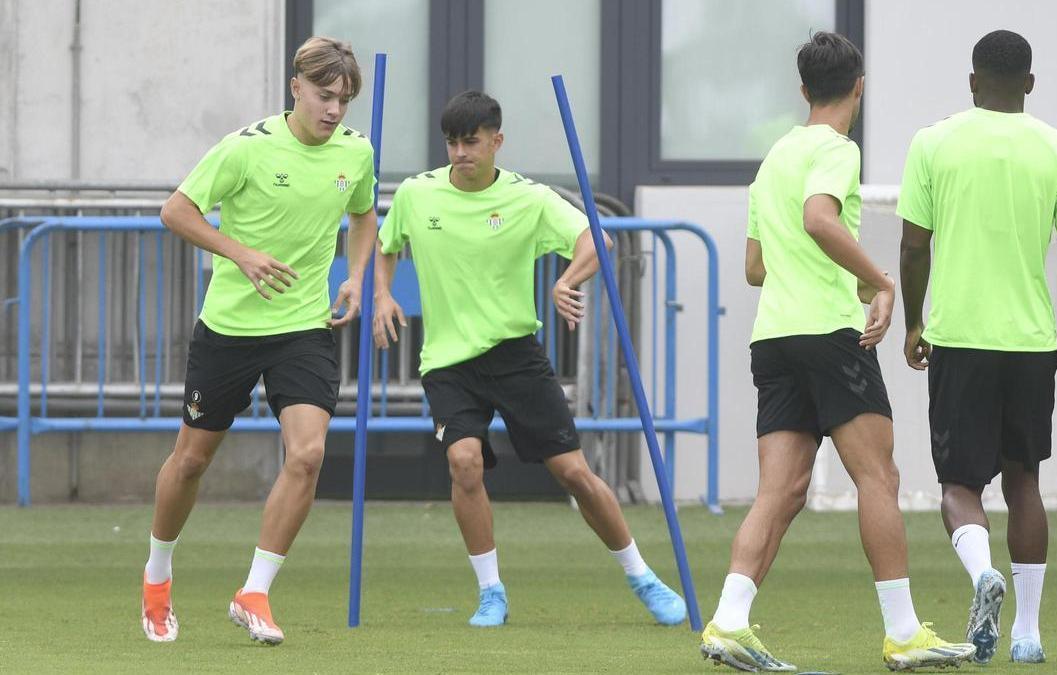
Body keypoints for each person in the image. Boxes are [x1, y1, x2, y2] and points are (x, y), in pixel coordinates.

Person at [699, 32, 975, 672]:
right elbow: (820, 219)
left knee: (781, 490)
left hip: (774, 338)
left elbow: (755, 265)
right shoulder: (836, 149)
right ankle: (905, 633)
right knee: (878, 477)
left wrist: (840, 276)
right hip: (829, 336)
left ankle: (729, 621)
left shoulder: (773, 158)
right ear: (859, 86)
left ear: (802, 91)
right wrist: (880, 282)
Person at [372, 90, 686, 628]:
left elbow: (597, 240)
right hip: (447, 361)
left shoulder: (530, 198)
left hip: (515, 354)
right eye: (451, 141)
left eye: (471, 141)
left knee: (573, 472)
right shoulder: (417, 195)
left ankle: (642, 575)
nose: (460, 152)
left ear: (497, 141)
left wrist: (568, 278)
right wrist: (382, 293)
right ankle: (491, 592)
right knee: (464, 462)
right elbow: (385, 245)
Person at [141, 36, 378, 646]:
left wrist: (355, 276)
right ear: (295, 87)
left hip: (303, 327)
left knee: (307, 455)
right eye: (324, 96)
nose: (333, 111)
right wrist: (239, 251)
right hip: (229, 328)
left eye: (343, 101)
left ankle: (254, 592)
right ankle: (158, 578)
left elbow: (363, 213)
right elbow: (176, 211)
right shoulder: (244, 150)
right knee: (191, 461)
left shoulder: (356, 151)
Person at [897, 29, 1057, 665]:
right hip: (1030, 343)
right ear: (1031, 85)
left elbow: (911, 244)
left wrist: (913, 322)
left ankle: (982, 573)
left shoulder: (932, 143)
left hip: (958, 337)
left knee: (960, 484)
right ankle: (1029, 633)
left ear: (972, 82)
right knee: (1024, 482)